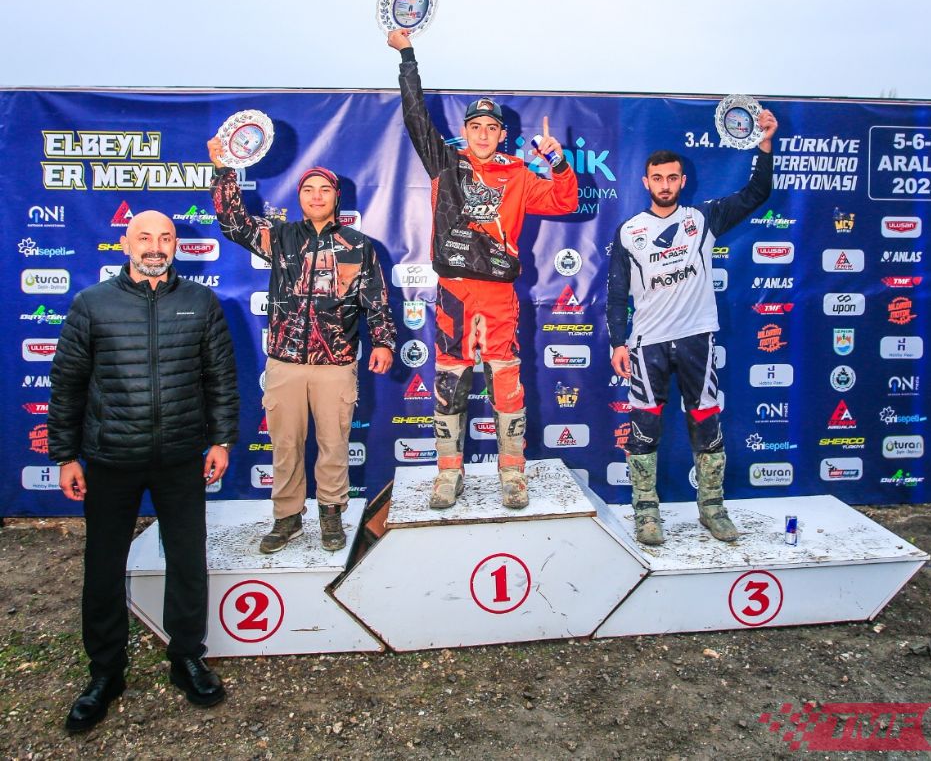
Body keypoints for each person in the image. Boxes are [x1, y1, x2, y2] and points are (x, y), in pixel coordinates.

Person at [49, 210, 239, 733]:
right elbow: (67, 384)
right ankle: (105, 673)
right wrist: (65, 456)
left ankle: (187, 657)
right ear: (126, 243)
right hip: (111, 458)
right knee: (103, 566)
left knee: (187, 560)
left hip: (180, 456)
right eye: (145, 237)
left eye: (165, 237)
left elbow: (221, 378)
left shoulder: (200, 302)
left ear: (176, 245)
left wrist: (221, 439)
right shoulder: (91, 304)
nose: (156, 246)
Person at [387, 28, 578, 510]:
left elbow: (565, 200)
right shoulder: (445, 164)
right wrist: (407, 56)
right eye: (476, 126)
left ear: (502, 134)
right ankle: (448, 474)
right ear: (466, 131)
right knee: (449, 384)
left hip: (498, 295)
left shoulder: (518, 174)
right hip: (454, 291)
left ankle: (512, 473)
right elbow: (415, 116)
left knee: (506, 384)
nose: (484, 134)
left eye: (492, 128)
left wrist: (557, 162)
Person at [209, 140, 396, 553]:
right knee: (285, 446)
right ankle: (287, 517)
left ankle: (331, 514)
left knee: (334, 444)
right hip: (285, 363)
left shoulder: (358, 245)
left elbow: (376, 300)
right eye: (309, 190)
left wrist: (383, 341)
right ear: (299, 198)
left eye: (324, 190)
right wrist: (223, 170)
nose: (316, 196)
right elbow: (234, 224)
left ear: (336, 197)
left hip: (336, 364)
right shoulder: (280, 237)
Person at [607, 110, 779, 544]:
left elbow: (757, 192)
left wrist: (764, 144)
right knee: (644, 427)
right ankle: (646, 512)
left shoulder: (703, 219)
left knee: (705, 422)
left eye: (672, 177)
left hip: (696, 339)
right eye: (657, 178)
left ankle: (712, 508)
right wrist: (617, 342)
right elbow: (616, 293)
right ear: (645, 182)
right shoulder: (629, 231)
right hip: (647, 344)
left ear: (683, 181)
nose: (665, 184)